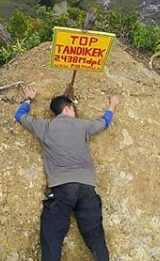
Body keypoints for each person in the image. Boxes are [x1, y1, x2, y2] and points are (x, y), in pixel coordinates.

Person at [14, 85, 120, 261]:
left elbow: (19, 116)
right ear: (68, 107)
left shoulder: (45, 126)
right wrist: (113, 104)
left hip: (62, 188)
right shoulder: (83, 126)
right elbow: (105, 122)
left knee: (52, 238)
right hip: (87, 188)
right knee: (97, 240)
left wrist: (28, 99)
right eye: (74, 109)